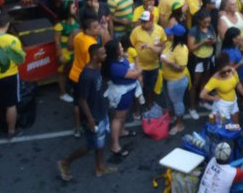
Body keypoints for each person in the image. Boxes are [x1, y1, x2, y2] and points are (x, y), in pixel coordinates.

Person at [58, 43, 116, 181]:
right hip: (93, 116)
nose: (106, 55)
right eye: (103, 54)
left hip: (100, 111)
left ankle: (100, 167)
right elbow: (82, 100)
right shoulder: (86, 75)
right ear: (95, 56)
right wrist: (90, 118)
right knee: (91, 145)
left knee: (100, 142)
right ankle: (65, 163)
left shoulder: (97, 68)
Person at [102, 39, 141, 162]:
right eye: (120, 48)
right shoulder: (114, 66)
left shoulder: (119, 59)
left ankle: (122, 131)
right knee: (118, 118)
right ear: (115, 52)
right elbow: (135, 73)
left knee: (122, 116)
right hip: (122, 94)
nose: (123, 49)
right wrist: (137, 61)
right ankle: (115, 145)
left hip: (127, 91)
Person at [129, 10, 166, 109]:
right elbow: (130, 47)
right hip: (140, 66)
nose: (142, 24)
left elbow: (163, 45)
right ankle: (137, 109)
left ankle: (149, 104)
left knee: (151, 87)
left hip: (154, 65)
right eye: (142, 21)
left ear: (152, 21)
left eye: (145, 22)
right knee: (138, 88)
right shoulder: (136, 31)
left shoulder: (160, 30)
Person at [0, 12, 25, 139]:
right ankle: (11, 131)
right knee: (11, 104)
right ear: (7, 24)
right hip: (9, 76)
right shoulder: (13, 40)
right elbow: (19, 60)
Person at [201, 54, 243, 124]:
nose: (226, 73)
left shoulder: (233, 71)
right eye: (223, 72)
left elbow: (238, 84)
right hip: (222, 106)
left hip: (233, 102)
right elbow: (202, 95)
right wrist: (213, 98)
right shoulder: (215, 79)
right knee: (223, 128)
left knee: (236, 125)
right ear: (218, 69)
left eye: (228, 70)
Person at [162, 24, 190, 135]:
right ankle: (174, 117)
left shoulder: (181, 50)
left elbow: (181, 68)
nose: (168, 34)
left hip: (176, 81)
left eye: (171, 33)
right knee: (171, 101)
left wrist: (169, 62)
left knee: (177, 102)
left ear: (176, 36)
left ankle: (180, 124)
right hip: (168, 78)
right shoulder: (170, 44)